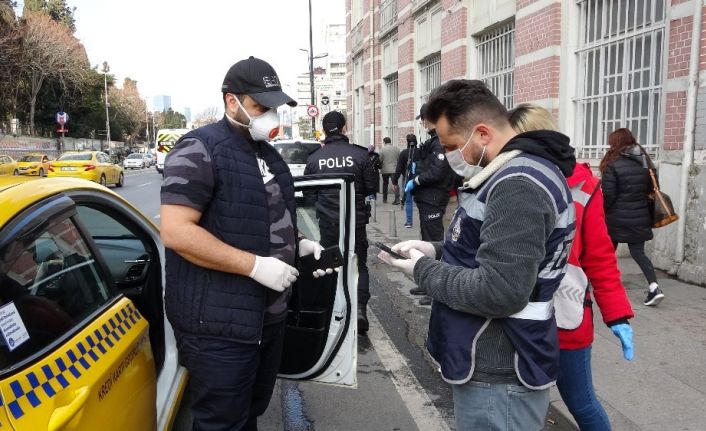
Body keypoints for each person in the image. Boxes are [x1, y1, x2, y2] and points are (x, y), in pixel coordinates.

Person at [379, 80, 576, 430]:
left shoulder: (518, 185)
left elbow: (499, 290)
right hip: (492, 361)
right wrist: (435, 250)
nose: (453, 155)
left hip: (500, 367)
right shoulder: (511, 173)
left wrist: (423, 269)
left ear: (482, 133)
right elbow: (489, 247)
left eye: (453, 145)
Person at [160, 56, 328, 430]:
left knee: (248, 413)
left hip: (265, 319)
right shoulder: (199, 149)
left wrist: (297, 241)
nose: (270, 116)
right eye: (260, 107)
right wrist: (255, 266)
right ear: (230, 101)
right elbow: (176, 231)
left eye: (273, 108)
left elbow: (263, 214)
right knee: (222, 422)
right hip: (218, 325)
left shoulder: (267, 155)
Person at [509, 103, 635, 431]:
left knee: (580, 401)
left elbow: (600, 258)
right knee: (520, 400)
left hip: (566, 314)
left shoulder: (583, 186)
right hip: (514, 310)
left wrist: (617, 314)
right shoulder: (506, 178)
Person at [304, 110, 377, 333]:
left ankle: (331, 309)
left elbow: (308, 195)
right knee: (359, 265)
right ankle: (361, 311)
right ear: (344, 128)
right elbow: (372, 188)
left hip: (328, 223)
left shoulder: (315, 158)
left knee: (329, 264)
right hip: (355, 222)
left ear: (324, 130)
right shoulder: (360, 155)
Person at [600, 128, 664, 306]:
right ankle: (654, 287)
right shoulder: (645, 162)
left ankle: (602, 286)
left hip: (615, 218)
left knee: (605, 253)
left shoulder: (613, 164)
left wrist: (601, 212)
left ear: (616, 143)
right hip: (640, 216)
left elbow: (609, 195)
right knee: (638, 253)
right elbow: (653, 189)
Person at [405, 104, 454, 305]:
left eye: (424, 119)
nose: (422, 123)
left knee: (434, 243)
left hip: (434, 198)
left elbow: (438, 171)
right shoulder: (432, 142)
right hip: (427, 199)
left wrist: (416, 180)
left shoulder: (439, 143)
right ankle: (426, 283)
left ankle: (435, 290)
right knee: (426, 241)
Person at [392, 134, 418, 228]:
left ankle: (409, 222)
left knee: (408, 201)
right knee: (422, 201)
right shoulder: (421, 152)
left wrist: (394, 182)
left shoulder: (403, 153)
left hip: (407, 179)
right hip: (420, 179)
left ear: (407, 142)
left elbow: (398, 169)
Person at [379, 137, 401, 204]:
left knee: (385, 184)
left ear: (384, 142)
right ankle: (397, 199)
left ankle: (384, 199)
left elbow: (380, 160)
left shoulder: (382, 150)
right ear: (390, 141)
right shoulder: (397, 149)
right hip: (394, 169)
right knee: (395, 183)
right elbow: (399, 159)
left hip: (385, 169)